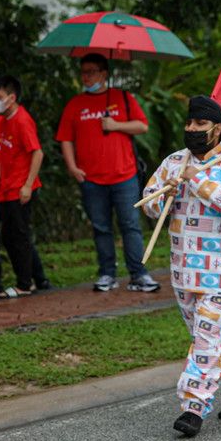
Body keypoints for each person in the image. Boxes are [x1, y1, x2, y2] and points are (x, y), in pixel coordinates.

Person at [142, 95, 221, 439]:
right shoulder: (174, 162)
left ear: (218, 129)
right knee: (212, 334)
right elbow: (149, 204)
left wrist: (198, 180)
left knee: (209, 333)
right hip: (184, 268)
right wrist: (163, 195)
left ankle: (193, 407)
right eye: (189, 123)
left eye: (200, 125)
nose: (191, 130)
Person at [56, 54, 160, 293]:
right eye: (83, 72)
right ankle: (107, 274)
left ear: (104, 73)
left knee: (130, 225)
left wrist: (116, 126)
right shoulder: (75, 104)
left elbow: (142, 126)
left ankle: (139, 274)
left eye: (91, 72)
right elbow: (65, 139)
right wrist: (72, 167)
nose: (86, 77)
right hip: (91, 179)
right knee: (101, 228)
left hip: (125, 177)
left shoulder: (122, 98)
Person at [0, 75, 48, 299]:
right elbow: (5, 157)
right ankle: (28, 279)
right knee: (10, 237)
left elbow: (37, 152)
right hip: (6, 189)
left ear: (11, 98)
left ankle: (25, 283)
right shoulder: (4, 121)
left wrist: (27, 185)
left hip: (20, 188)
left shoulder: (22, 120)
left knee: (18, 236)